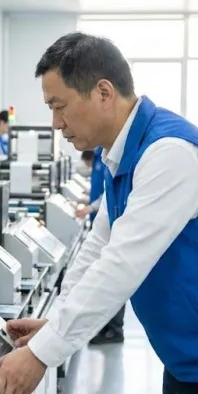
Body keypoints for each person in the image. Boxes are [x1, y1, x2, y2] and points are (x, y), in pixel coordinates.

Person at [0, 32, 198, 394]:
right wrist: (55, 322)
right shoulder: (122, 157)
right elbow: (98, 247)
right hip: (187, 356)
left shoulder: (169, 155)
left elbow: (121, 265)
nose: (56, 123)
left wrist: (43, 354)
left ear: (103, 93)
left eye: (59, 106)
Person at [77, 147, 125, 344]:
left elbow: (109, 192)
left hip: (112, 225)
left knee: (112, 276)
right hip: (101, 222)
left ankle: (114, 329)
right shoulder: (100, 156)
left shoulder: (109, 155)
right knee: (100, 276)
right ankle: (105, 325)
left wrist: (90, 206)